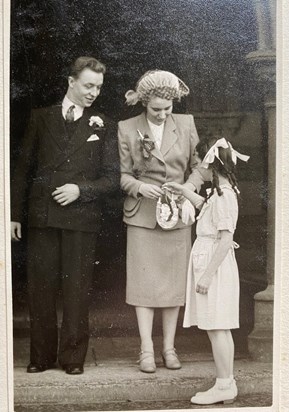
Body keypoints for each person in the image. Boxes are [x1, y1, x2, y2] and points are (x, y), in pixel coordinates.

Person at [10, 56, 119, 375]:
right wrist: (14, 215)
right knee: (40, 288)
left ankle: (72, 359)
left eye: (98, 87)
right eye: (88, 85)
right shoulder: (40, 118)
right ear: (70, 82)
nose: (93, 93)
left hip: (81, 219)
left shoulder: (104, 124)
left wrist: (80, 190)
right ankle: (41, 357)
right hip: (42, 216)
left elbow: (113, 178)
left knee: (76, 289)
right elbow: (22, 170)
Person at [118, 70, 204, 373]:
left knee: (173, 286)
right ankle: (146, 349)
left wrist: (188, 189)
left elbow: (200, 167)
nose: (163, 114)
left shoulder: (186, 123)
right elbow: (123, 175)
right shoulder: (127, 128)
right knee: (144, 285)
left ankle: (169, 347)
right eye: (156, 110)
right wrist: (140, 187)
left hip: (178, 215)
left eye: (168, 109)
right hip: (142, 215)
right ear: (144, 104)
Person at [165, 136, 249, 405]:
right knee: (217, 327)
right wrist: (183, 191)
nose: (199, 167)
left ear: (211, 163)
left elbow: (225, 239)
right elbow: (204, 209)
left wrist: (207, 275)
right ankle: (226, 382)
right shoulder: (219, 193)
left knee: (218, 327)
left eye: (201, 162)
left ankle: (225, 384)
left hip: (215, 266)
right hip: (210, 260)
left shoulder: (225, 197)